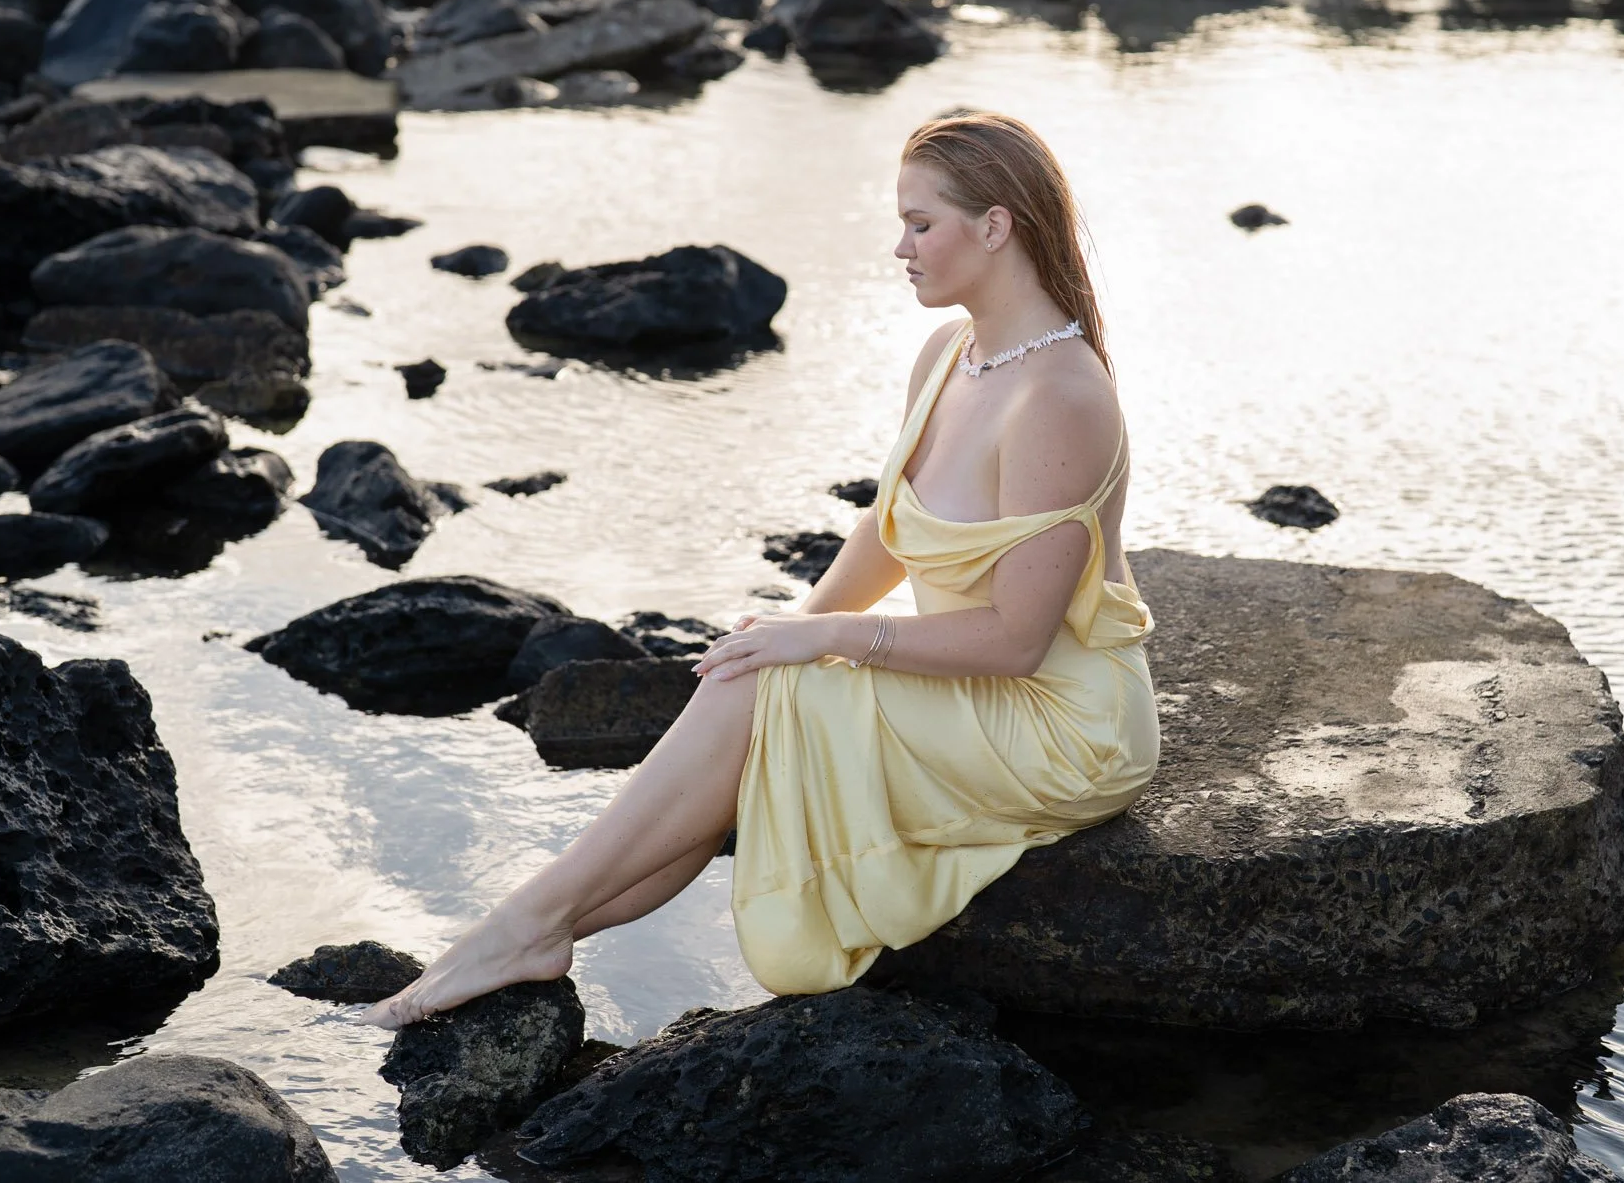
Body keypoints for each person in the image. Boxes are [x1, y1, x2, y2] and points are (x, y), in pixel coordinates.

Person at [364, 110, 1157, 1027]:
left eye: (920, 222)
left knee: (764, 694)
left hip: (1064, 725)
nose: (899, 246)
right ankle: (534, 931)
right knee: (756, 680)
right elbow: (891, 528)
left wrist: (822, 639)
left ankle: (522, 926)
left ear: (996, 225)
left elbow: (1018, 640)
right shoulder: (950, 354)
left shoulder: (1059, 395)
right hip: (982, 696)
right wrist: (790, 627)